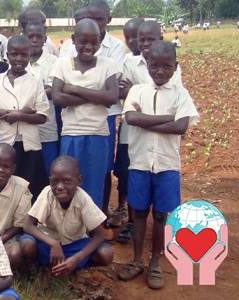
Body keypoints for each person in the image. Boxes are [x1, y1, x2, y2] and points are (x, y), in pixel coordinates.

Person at [118, 41, 199, 289]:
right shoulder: (138, 91)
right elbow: (131, 118)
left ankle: (155, 262)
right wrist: (167, 117)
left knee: (161, 215)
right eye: (155, 66)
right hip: (140, 164)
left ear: (175, 67)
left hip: (167, 165)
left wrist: (147, 120)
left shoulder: (180, 94)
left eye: (166, 66)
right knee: (140, 212)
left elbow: (180, 127)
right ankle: (137, 259)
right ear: (147, 64)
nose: (160, 71)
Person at [50, 19, 120, 207]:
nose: (88, 46)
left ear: (100, 41)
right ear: (73, 39)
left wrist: (75, 89)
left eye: (94, 41)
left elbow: (112, 97)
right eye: (83, 41)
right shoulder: (62, 64)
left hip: (98, 135)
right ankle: (70, 231)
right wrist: (98, 96)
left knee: (94, 185)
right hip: (71, 134)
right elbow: (57, 97)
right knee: (67, 185)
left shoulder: (108, 64)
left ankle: (92, 230)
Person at [20, 156, 113, 274]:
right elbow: (28, 225)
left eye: (67, 181)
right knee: (27, 245)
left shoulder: (83, 199)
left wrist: (77, 258)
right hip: (47, 243)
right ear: (49, 180)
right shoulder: (47, 193)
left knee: (106, 254)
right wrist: (53, 243)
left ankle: (73, 264)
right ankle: (41, 266)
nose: (59, 187)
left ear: (79, 180)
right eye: (54, 181)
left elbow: (99, 236)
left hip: (73, 245)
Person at [0, 35, 50, 199]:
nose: (19, 59)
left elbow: (42, 116)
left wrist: (16, 115)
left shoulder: (35, 82)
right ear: (7, 55)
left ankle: (29, 221)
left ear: (29, 56)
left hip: (30, 144)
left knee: (32, 185)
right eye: (14, 54)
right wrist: (24, 113)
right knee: (8, 184)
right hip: (7, 143)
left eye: (24, 55)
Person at [114, 17, 145, 243]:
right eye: (131, 37)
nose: (135, 42)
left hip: (152, 134)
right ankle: (131, 221)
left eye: (141, 37)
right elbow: (122, 91)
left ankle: (143, 221)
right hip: (129, 130)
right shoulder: (128, 62)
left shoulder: (167, 61)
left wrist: (135, 90)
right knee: (127, 174)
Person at [23, 23, 59, 176]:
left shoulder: (54, 62)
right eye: (31, 36)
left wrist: (26, 95)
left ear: (45, 38)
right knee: (28, 173)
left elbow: (53, 90)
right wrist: (41, 91)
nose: (35, 40)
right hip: (23, 130)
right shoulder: (17, 60)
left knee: (48, 172)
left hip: (47, 128)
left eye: (39, 36)